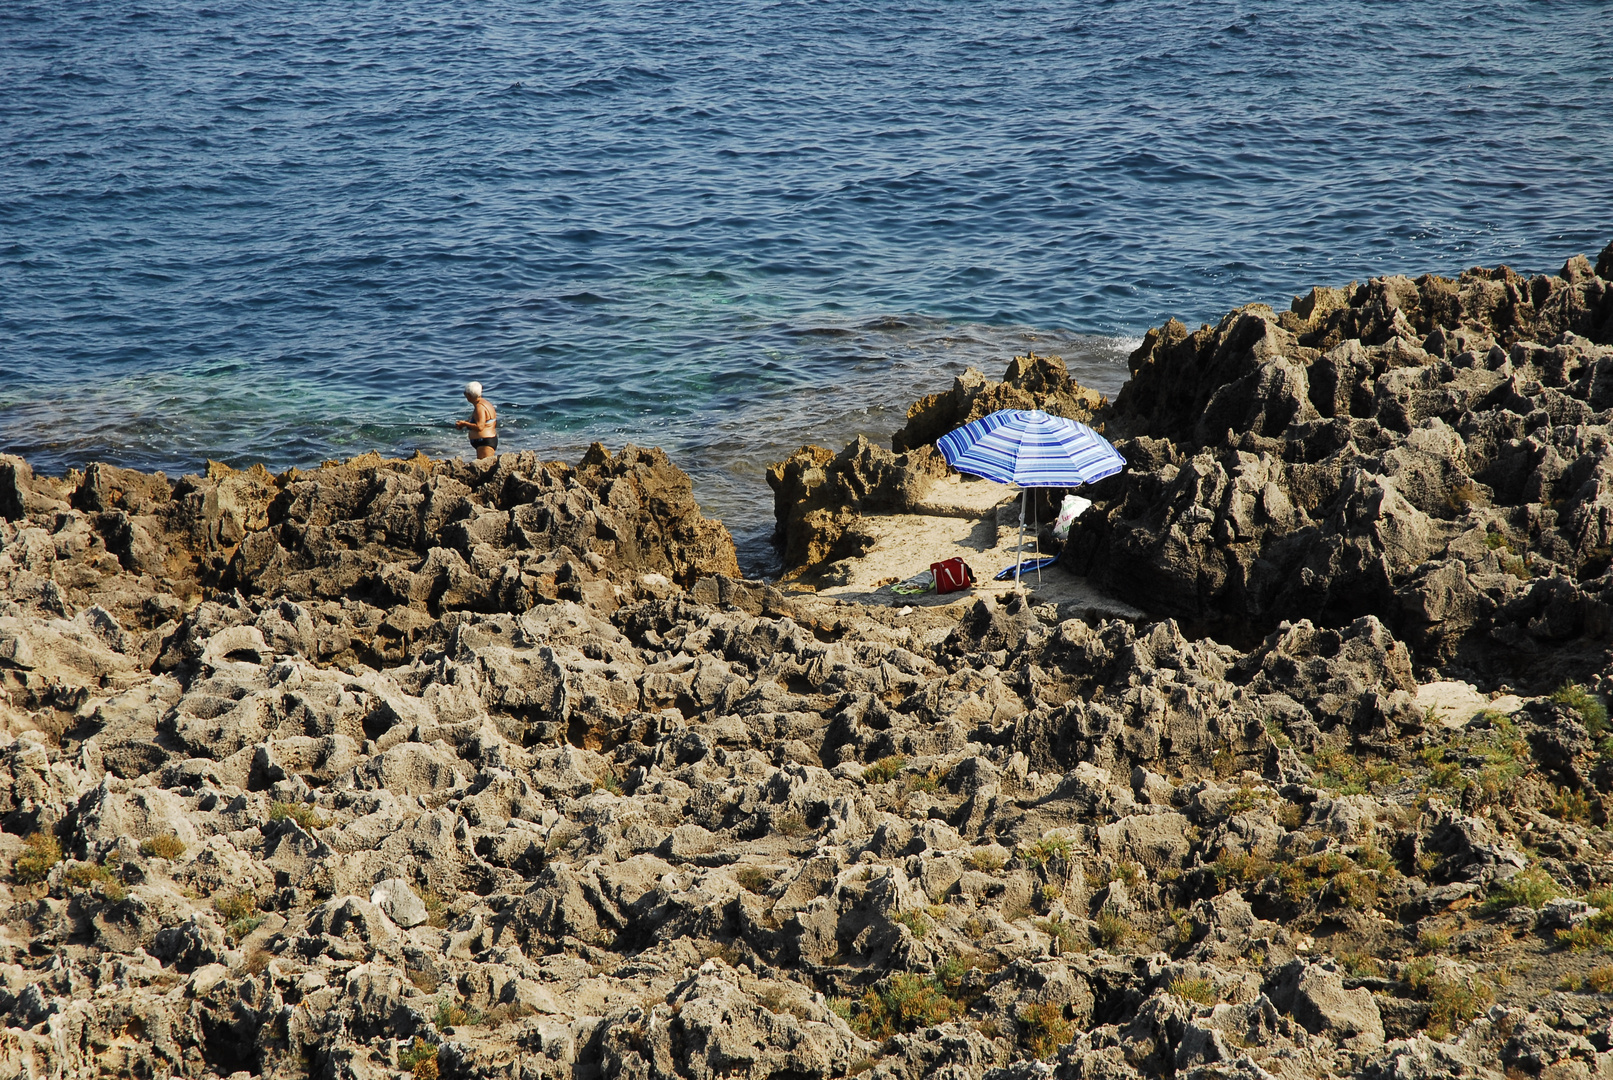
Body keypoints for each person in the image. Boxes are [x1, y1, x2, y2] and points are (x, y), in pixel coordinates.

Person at [455, 382, 499, 459]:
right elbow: (479, 420)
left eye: (465, 393)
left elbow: (480, 427)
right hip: (484, 441)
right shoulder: (483, 403)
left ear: (469, 395)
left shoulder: (480, 407)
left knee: (484, 468)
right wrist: (463, 424)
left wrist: (464, 423)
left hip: (485, 442)